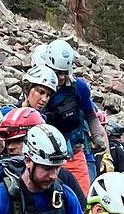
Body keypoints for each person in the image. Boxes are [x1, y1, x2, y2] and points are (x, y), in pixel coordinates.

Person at [39, 39, 109, 197]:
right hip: (47, 157)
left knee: (82, 199)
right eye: (57, 73)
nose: (61, 78)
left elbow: (90, 114)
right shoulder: (40, 88)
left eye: (64, 73)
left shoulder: (79, 88)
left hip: (75, 153)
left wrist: (97, 137)